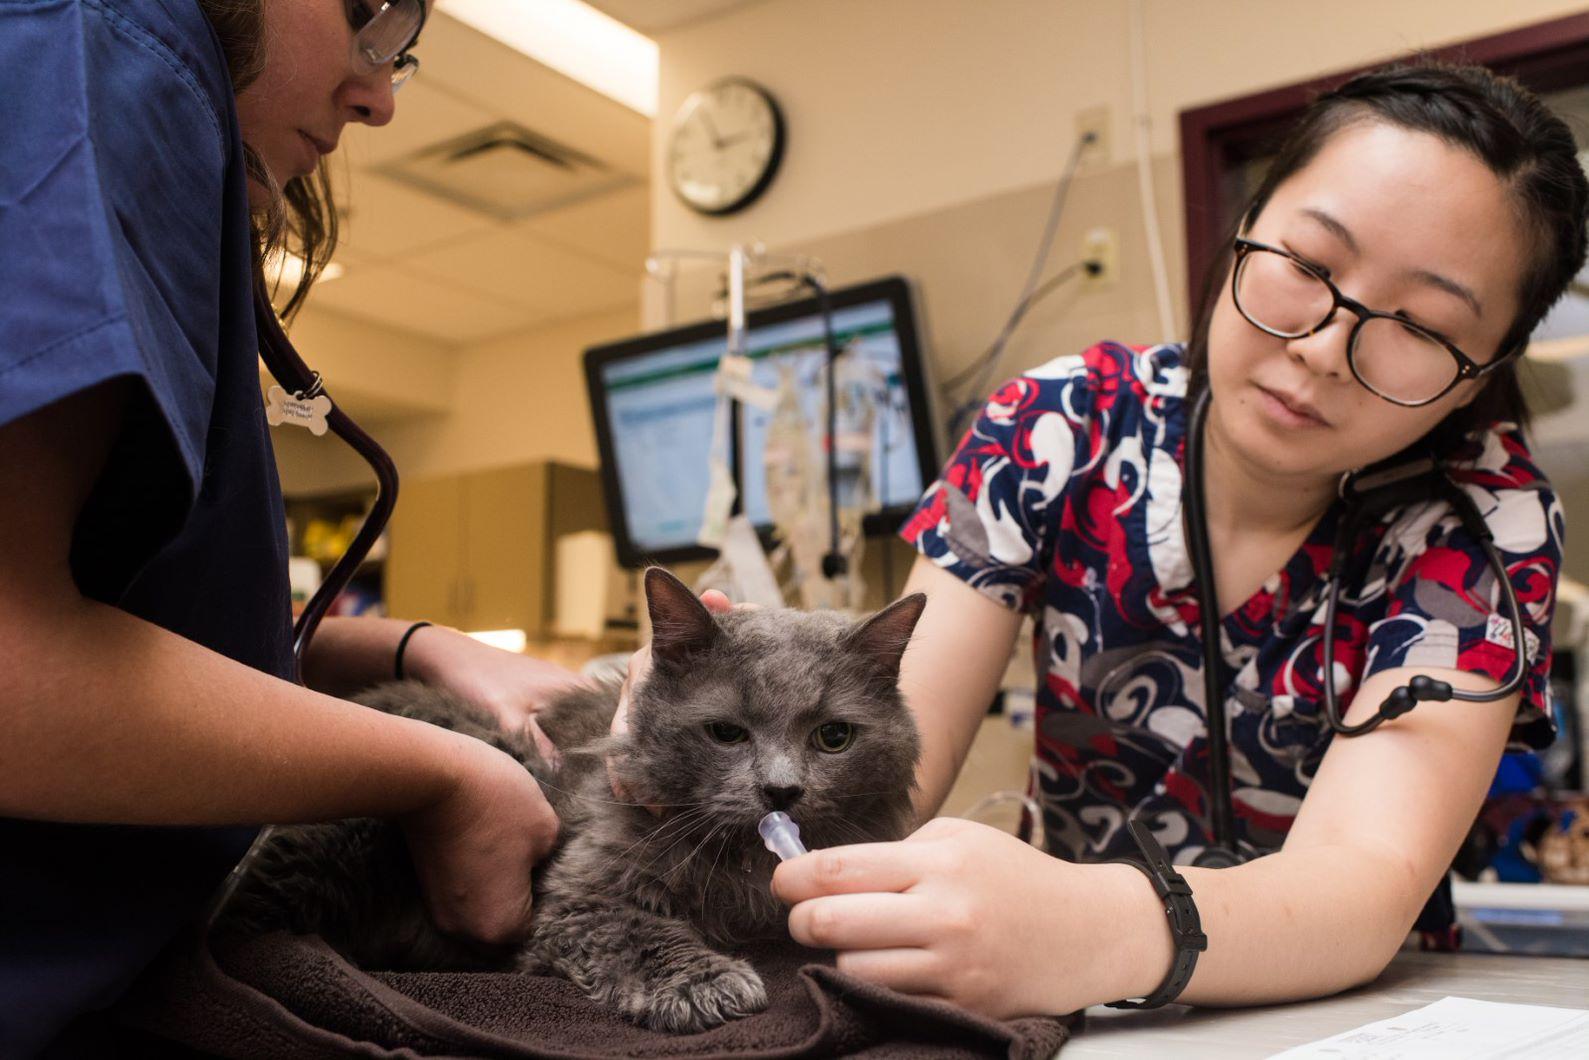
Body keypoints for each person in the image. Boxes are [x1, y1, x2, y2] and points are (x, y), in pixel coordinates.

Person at [628, 62, 1583, 1018]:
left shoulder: (1479, 521)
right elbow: (882, 782)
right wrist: (711, 744)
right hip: (1086, 1005)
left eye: (1418, 325)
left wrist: (1096, 925)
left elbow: (1361, 884)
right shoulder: (1059, 425)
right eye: (1308, 266)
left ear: (1478, 374)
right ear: (1244, 233)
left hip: (1346, 1010)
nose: (1323, 348)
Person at [0, 2, 581, 1053]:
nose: (380, 96)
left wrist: (410, 651)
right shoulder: (96, 39)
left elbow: (136, 618)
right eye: (368, 26)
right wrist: (436, 770)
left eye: (400, 50)